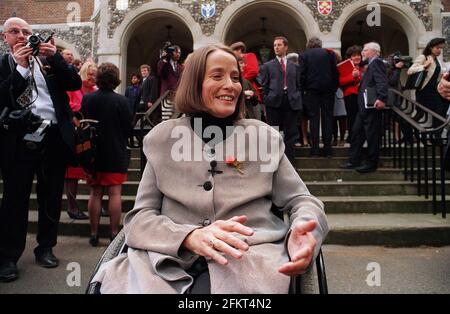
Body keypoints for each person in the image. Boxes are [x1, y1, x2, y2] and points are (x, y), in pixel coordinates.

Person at [91, 44, 328, 294]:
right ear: (194, 83)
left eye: (235, 78)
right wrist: (188, 237)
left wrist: (304, 227)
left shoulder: (263, 138)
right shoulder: (162, 139)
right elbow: (140, 218)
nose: (231, 85)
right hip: (167, 261)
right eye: (217, 76)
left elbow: (302, 200)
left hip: (250, 259)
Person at [0, 17, 81, 282]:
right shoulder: (3, 64)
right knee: (15, 198)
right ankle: (9, 256)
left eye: (27, 32)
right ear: (5, 37)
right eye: (15, 32)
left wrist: (56, 57)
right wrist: (21, 69)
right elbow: (4, 96)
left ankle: (46, 247)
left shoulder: (48, 62)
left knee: (51, 196)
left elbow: (74, 84)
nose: (22, 36)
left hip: (54, 136)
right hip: (18, 139)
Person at [80, 63, 133, 247]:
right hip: (115, 150)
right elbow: (128, 129)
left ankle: (93, 234)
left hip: (93, 153)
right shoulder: (122, 101)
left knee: (95, 193)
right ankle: (113, 234)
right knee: (114, 193)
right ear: (115, 78)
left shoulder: (88, 99)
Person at [341, 42, 388, 173]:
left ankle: (372, 163)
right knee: (356, 133)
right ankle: (353, 160)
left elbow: (382, 81)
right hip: (364, 107)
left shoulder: (377, 62)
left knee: (372, 135)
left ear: (374, 51)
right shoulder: (371, 64)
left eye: (365, 50)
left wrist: (381, 98)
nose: (363, 53)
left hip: (372, 106)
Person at [64, 61, 98, 220]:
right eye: (90, 74)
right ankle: (72, 207)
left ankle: (96, 205)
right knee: (73, 172)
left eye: (94, 74)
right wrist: (78, 108)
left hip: (89, 134)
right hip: (75, 134)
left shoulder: (94, 89)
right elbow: (67, 104)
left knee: (90, 169)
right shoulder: (74, 86)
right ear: (84, 72)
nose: (92, 77)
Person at [261, 36, 302, 163]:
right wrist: (267, 98)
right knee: (274, 133)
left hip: (291, 102)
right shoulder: (267, 66)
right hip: (274, 103)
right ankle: (275, 162)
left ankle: (290, 163)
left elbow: (298, 84)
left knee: (290, 134)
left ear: (286, 47)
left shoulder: (294, 66)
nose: (276, 47)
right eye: (274, 45)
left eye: (279, 45)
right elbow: (265, 85)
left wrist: (297, 96)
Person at [299, 37, 339, 157]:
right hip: (328, 91)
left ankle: (315, 150)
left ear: (309, 46)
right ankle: (328, 150)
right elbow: (335, 73)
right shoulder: (330, 54)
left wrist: (303, 90)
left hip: (312, 91)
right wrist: (334, 88)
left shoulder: (304, 55)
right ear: (320, 45)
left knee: (314, 120)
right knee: (328, 119)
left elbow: (302, 74)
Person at [407, 37, 446, 126]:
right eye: (437, 47)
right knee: (421, 114)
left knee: (438, 112)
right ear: (431, 47)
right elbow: (410, 71)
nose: (439, 50)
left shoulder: (438, 61)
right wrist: (424, 66)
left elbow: (438, 76)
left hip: (434, 91)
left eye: (441, 48)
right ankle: (407, 127)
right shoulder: (423, 57)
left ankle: (436, 136)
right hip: (423, 91)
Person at [339, 45, 364, 144]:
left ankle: (360, 136)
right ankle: (352, 137)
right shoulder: (344, 67)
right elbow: (340, 81)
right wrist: (353, 77)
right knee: (352, 117)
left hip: (362, 96)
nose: (357, 57)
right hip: (351, 96)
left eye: (359, 55)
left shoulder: (364, 68)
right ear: (350, 57)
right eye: (354, 55)